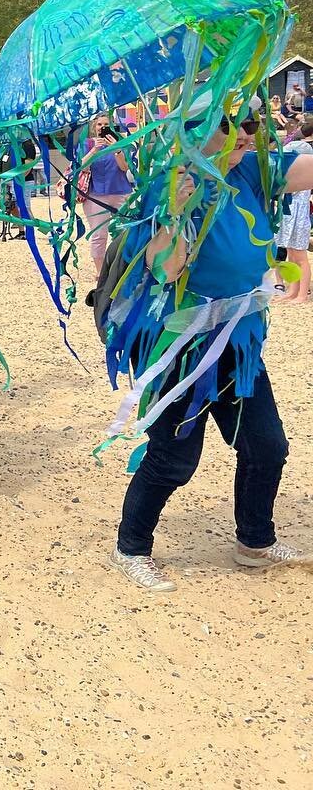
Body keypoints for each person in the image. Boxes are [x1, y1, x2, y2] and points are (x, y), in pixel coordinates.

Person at [107, 99, 313, 590]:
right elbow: (166, 270)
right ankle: (131, 547)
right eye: (228, 124)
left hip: (237, 344)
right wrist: (175, 213)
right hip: (182, 348)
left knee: (267, 446)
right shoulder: (170, 187)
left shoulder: (254, 173)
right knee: (174, 457)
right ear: (195, 129)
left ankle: (255, 541)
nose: (245, 133)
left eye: (251, 122)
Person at [81, 114, 135, 274]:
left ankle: (122, 267)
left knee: (124, 232)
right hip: (96, 195)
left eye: (106, 124)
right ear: (94, 127)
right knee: (99, 234)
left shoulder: (122, 144)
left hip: (120, 192)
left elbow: (125, 168)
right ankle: (101, 272)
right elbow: (82, 168)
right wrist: (94, 150)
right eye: (99, 124)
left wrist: (117, 149)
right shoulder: (87, 144)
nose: (102, 128)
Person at [274, 117, 312, 303]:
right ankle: (292, 290)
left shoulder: (303, 177)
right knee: (290, 254)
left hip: (298, 217)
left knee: (301, 257)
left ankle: (302, 294)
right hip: (289, 216)